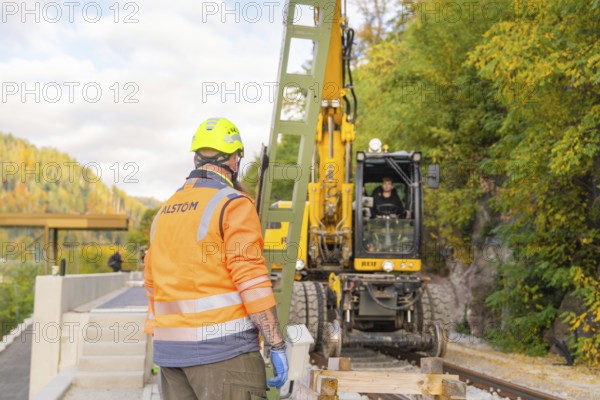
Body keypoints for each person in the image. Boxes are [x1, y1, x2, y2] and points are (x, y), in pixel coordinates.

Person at [143, 117, 288, 400]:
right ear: (235, 161)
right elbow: (252, 282)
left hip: (171, 358)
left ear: (196, 158)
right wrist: (276, 343)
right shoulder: (233, 205)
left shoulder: (163, 213)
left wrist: (158, 341)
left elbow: (152, 286)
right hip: (225, 356)